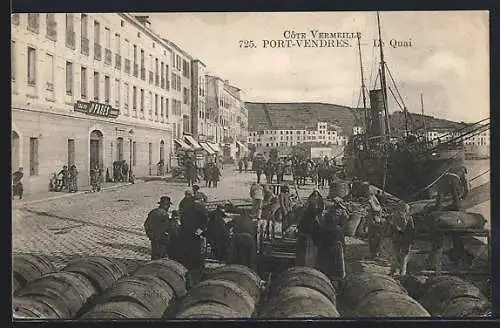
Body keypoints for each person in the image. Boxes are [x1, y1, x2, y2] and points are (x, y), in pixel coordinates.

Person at [178, 196, 210, 286]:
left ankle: (189, 276)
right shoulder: (201, 208)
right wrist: (201, 230)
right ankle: (197, 277)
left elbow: (182, 220)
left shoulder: (185, 209)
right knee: (198, 255)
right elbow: (206, 221)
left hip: (186, 234)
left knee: (188, 255)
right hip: (195, 235)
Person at [316, 204, 347, 281]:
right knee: (337, 265)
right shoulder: (338, 229)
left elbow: (319, 239)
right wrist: (344, 249)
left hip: (325, 249)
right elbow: (342, 240)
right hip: (336, 249)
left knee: (325, 266)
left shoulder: (323, 228)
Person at [295, 189, 325, 267]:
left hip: (311, 236)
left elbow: (321, 208)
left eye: (316, 194)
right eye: (314, 194)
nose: (315, 196)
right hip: (307, 235)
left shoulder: (320, 201)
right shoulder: (307, 214)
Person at [388, 202, 415, 276]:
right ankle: (393, 270)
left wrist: (411, 241)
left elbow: (411, 230)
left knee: (403, 257)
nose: (402, 211)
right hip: (397, 239)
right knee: (395, 255)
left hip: (405, 240)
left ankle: (402, 273)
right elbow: (391, 228)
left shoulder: (409, 218)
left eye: (405, 209)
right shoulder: (394, 217)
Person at [367, 191, 385, 258]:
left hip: (375, 224)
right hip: (374, 223)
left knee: (375, 239)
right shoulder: (376, 206)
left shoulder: (377, 207)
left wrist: (371, 203)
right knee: (372, 239)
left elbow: (375, 209)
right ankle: (374, 253)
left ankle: (375, 253)